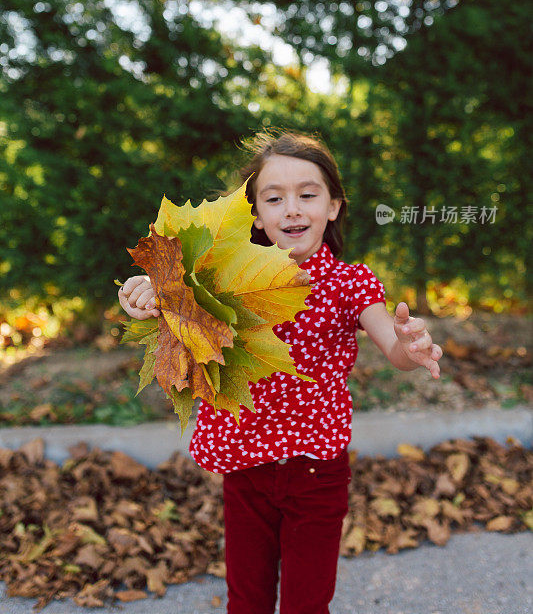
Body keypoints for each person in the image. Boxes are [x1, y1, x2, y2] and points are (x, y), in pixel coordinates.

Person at [118, 128, 443, 614]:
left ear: (332, 206)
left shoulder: (349, 282)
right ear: (255, 213)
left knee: (305, 604)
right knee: (245, 600)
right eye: (274, 198)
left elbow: (390, 343)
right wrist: (147, 291)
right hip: (245, 466)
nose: (292, 208)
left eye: (307, 195)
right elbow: (173, 293)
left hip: (316, 471)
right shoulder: (220, 276)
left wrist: (409, 346)